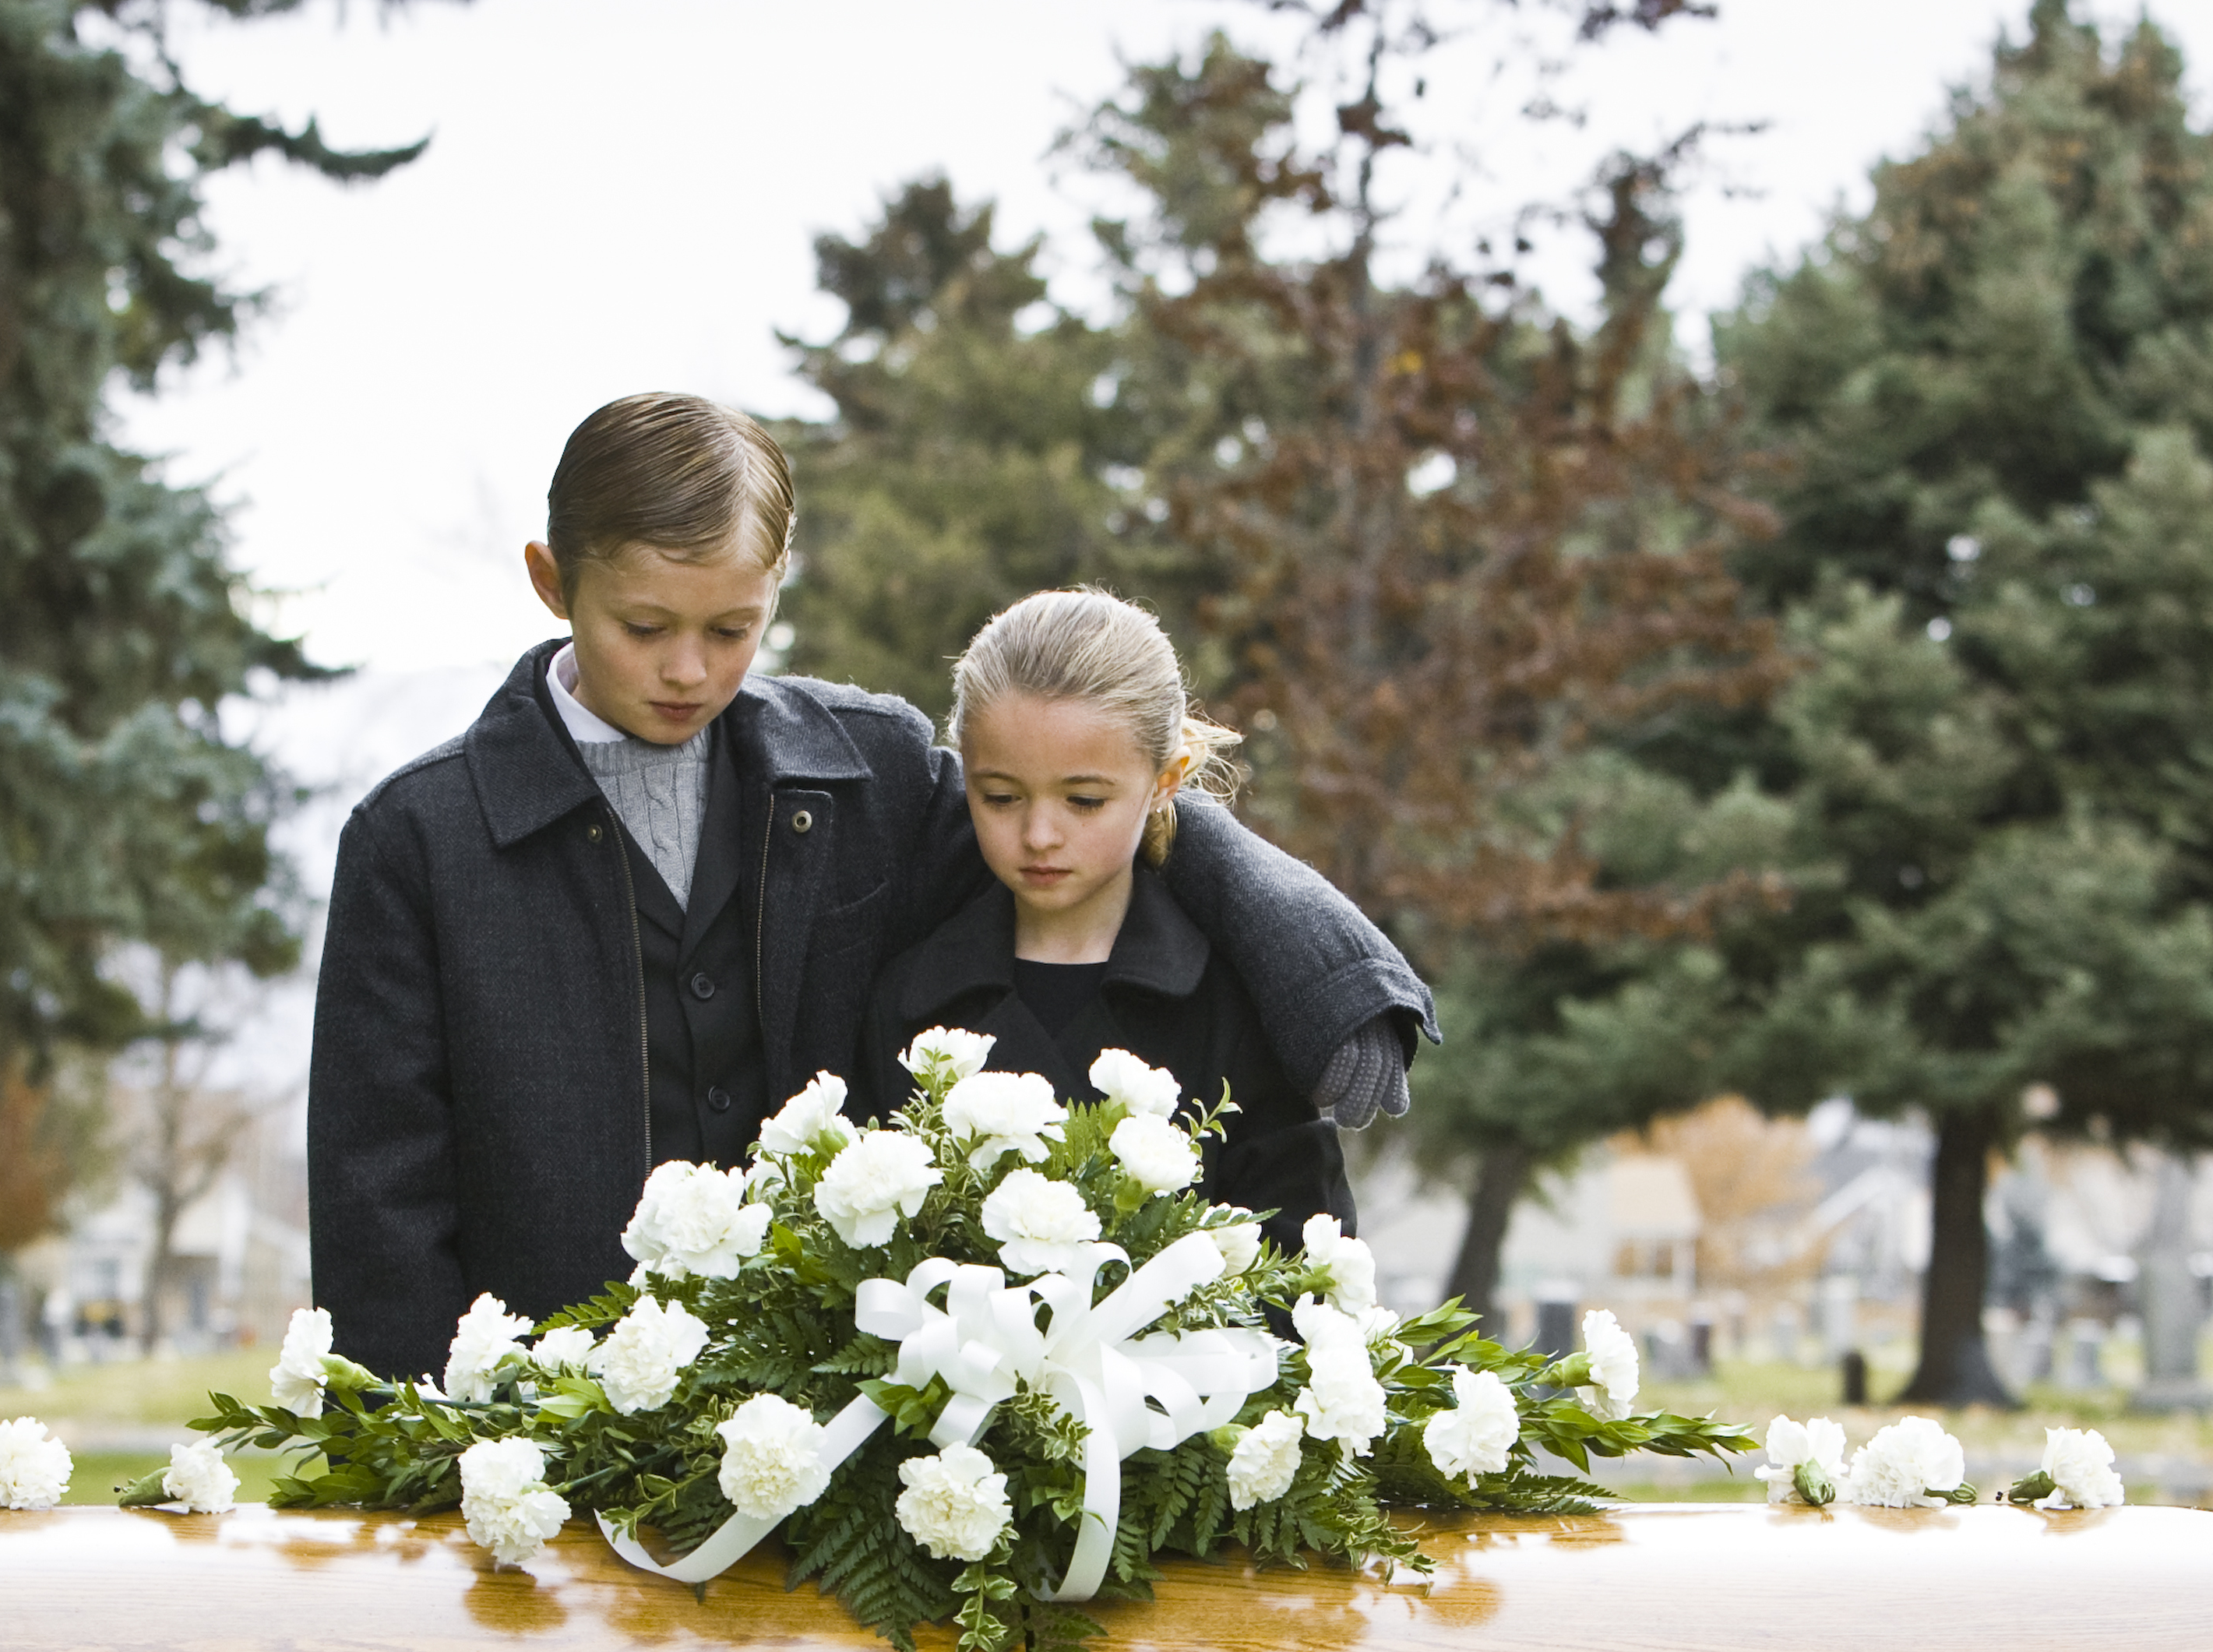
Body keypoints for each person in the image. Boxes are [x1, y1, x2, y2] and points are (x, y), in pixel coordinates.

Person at [308, 396, 1428, 1373]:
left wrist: (1322, 966)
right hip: (543, 1432)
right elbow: (379, 1203)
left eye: (733, 627)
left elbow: (1096, 812)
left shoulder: (864, 773)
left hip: (819, 1439)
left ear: (776, 590)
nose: (689, 667)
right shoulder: (421, 839)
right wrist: (433, 1467)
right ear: (552, 584)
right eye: (644, 626)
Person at [864, 587, 1353, 1245]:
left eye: (1084, 801)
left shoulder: (1235, 1008)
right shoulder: (904, 998)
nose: (1040, 833)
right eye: (1001, 796)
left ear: (1166, 780)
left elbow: (1301, 1270)